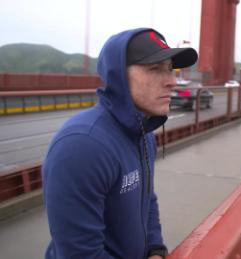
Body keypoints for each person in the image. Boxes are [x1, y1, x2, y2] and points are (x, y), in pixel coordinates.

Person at [42, 28, 198, 259]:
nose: (172, 82)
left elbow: (146, 199)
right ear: (118, 77)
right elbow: (80, 253)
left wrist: (154, 249)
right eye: (155, 69)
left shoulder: (144, 132)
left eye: (170, 70)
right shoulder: (82, 146)